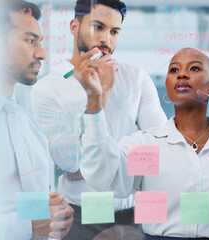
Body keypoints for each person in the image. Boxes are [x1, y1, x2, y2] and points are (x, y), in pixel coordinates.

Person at [74, 47, 209, 239]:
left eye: (194, 68)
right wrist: (94, 101)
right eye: (174, 70)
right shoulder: (147, 147)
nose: (181, 74)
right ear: (167, 85)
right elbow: (105, 177)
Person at [30, 0, 167, 238]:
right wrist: (96, 98)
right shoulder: (47, 89)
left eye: (114, 31)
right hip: (82, 216)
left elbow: (161, 149)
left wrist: (99, 165)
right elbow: (70, 163)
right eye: (98, 27)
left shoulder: (136, 78)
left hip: (137, 213)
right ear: (74, 26)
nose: (106, 39)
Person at [0, 1, 74, 238]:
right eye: (30, 40)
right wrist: (29, 225)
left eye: (40, 42)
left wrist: (55, 212)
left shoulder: (28, 125)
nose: (42, 53)